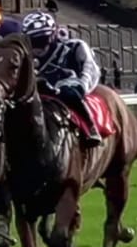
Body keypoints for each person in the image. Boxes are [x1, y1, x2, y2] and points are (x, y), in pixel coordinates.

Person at [20, 10, 105, 147]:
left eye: (42, 40)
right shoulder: (24, 56)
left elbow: (90, 68)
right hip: (39, 90)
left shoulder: (74, 46)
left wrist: (82, 85)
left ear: (53, 34)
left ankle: (91, 127)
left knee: (69, 93)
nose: (38, 47)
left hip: (67, 86)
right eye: (33, 41)